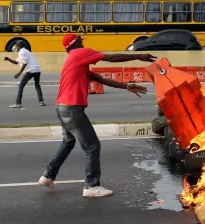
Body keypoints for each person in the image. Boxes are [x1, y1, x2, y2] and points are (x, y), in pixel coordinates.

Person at [39, 33, 153, 198]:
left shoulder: (74, 59)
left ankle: (48, 176)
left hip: (61, 107)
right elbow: (111, 58)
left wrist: (126, 86)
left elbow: (96, 78)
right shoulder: (80, 53)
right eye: (81, 42)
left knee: (68, 142)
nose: (84, 45)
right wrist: (139, 55)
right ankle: (91, 186)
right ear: (76, 43)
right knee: (92, 146)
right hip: (72, 108)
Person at [4, 42, 45, 107]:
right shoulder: (26, 51)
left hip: (31, 70)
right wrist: (8, 59)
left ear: (18, 46)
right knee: (37, 85)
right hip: (37, 70)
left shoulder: (22, 52)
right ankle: (41, 101)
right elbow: (16, 62)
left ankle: (18, 103)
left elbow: (25, 63)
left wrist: (19, 73)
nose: (15, 48)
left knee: (21, 85)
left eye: (16, 46)